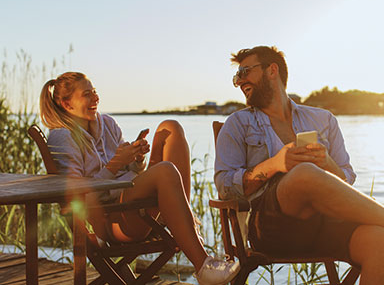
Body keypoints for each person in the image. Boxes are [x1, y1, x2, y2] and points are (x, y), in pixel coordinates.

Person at [214, 46, 384, 285]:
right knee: (303, 172)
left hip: (324, 225)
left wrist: (328, 164)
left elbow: (345, 182)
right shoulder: (238, 124)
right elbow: (225, 187)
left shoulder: (322, 119)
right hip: (271, 230)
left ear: (272, 70)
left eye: (245, 72)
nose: (239, 81)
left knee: (378, 238)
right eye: (236, 77)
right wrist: (275, 164)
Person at [39, 72, 239, 285]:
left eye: (95, 92)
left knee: (171, 128)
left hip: (134, 204)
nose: (95, 98)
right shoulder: (62, 137)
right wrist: (115, 163)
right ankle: (202, 266)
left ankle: (185, 223)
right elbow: (77, 195)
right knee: (165, 171)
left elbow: (129, 169)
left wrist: (136, 158)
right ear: (66, 103)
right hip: (112, 220)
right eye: (87, 94)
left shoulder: (106, 124)